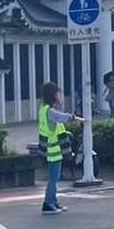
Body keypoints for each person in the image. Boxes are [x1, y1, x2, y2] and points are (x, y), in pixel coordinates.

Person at [38, 82, 81, 214]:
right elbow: (61, 117)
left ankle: (53, 201)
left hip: (50, 149)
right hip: (53, 151)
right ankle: (48, 203)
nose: (60, 96)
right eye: (58, 93)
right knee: (54, 178)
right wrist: (73, 117)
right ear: (52, 95)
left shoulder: (44, 109)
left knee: (55, 177)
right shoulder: (50, 112)